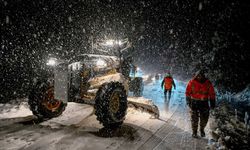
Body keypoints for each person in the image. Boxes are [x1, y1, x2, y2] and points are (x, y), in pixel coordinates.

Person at [185, 70, 216, 138]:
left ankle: (202, 129)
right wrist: (188, 100)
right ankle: (194, 132)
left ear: (203, 76)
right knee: (194, 118)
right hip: (194, 102)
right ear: (196, 76)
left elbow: (212, 93)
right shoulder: (192, 82)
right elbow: (187, 92)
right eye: (198, 76)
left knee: (204, 118)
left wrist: (212, 102)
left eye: (201, 76)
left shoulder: (208, 83)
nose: (199, 77)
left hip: (204, 102)